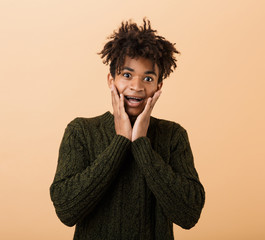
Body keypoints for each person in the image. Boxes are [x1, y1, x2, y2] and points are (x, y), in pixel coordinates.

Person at [50, 18, 205, 240]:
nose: (137, 86)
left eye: (148, 78)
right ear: (111, 80)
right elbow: (66, 210)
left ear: (158, 86)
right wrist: (121, 141)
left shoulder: (173, 136)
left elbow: (189, 215)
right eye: (127, 75)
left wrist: (141, 144)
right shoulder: (81, 131)